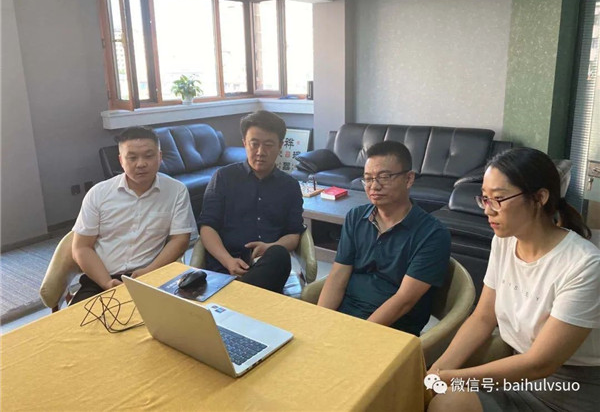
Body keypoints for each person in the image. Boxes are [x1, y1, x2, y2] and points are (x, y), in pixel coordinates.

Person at [427, 147, 600, 412]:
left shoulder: (584, 264)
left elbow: (540, 363)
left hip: (567, 388)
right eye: (484, 199)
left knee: (448, 402)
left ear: (539, 197)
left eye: (498, 199)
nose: (488, 210)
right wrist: (436, 371)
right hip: (516, 373)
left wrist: (447, 379)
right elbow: (483, 318)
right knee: (441, 399)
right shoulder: (505, 242)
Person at [317, 140, 451, 336]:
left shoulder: (432, 234)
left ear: (409, 179)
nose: (374, 186)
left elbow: (404, 301)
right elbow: (338, 276)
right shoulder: (356, 217)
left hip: (392, 329)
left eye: (384, 177)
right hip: (346, 315)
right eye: (368, 179)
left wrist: (358, 334)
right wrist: (320, 321)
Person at [71, 126, 197, 304]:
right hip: (101, 279)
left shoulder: (176, 191)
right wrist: (106, 282)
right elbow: (81, 247)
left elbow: (180, 240)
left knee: (169, 319)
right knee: (79, 320)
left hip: (153, 276)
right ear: (121, 160)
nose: (141, 164)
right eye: (132, 157)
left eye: (148, 156)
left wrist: (149, 272)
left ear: (160, 156)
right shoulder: (98, 193)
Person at [198, 110, 304, 293]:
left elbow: (293, 234)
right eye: (254, 144)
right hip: (225, 266)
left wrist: (270, 247)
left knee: (278, 254)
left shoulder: (290, 186)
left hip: (268, 267)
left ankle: (239, 296)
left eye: (269, 145)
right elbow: (207, 227)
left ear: (280, 146)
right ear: (244, 143)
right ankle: (244, 296)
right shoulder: (223, 178)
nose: (261, 152)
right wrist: (228, 261)